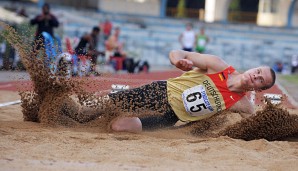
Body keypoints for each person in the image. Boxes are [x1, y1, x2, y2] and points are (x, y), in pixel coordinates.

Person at [63, 50, 276, 133]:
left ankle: (111, 109)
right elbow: (177, 52)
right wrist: (179, 62)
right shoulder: (218, 65)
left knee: (119, 126)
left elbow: (259, 122)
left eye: (260, 80)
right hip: (160, 92)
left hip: (169, 117)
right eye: (257, 71)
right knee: (91, 111)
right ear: (253, 68)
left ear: (260, 88)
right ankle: (69, 110)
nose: (254, 76)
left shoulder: (241, 104)